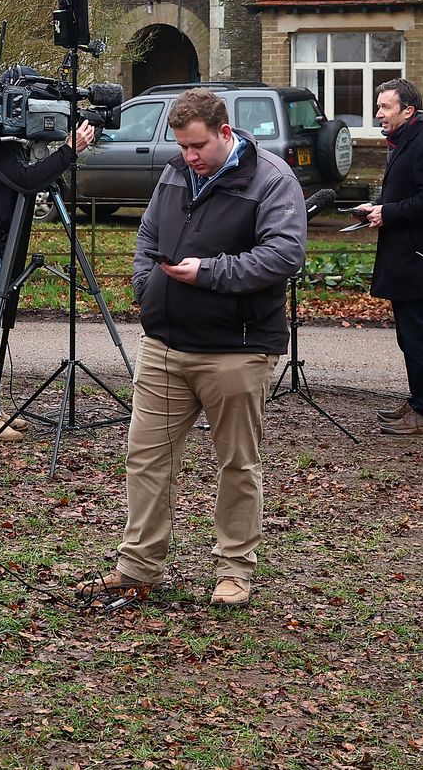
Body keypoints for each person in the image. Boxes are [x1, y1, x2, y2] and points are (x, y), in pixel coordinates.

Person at [81, 87, 307, 610]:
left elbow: (284, 255)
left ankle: (235, 569)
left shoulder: (271, 180)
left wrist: (208, 273)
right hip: (164, 345)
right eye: (182, 147)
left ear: (226, 133)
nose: (189, 157)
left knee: (237, 464)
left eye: (198, 146)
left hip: (237, 349)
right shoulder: (175, 173)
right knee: (146, 458)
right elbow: (147, 236)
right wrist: (146, 285)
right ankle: (138, 566)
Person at [0, 67, 97, 444]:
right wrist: (69, 150)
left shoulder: (9, 141)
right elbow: (27, 181)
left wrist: (58, 154)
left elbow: (38, 177)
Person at [356, 78, 423, 437]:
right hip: (406, 257)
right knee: (409, 336)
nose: (379, 113)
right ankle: (418, 402)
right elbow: (411, 195)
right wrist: (380, 208)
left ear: (408, 111)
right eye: (379, 106)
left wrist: (389, 213)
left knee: (418, 337)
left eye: (385, 107)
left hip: (420, 261)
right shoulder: (407, 142)